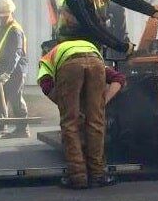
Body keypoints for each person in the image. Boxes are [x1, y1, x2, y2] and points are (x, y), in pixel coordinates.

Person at [37, 39, 126, 189]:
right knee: (96, 122)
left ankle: (78, 177)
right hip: (95, 62)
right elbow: (119, 79)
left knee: (70, 124)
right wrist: (102, 104)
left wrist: (68, 107)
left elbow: (46, 86)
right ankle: (98, 175)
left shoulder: (46, 59)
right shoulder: (84, 49)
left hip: (69, 66)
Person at [0, 0, 29, 139]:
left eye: (5, 16)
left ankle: (22, 129)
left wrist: (7, 73)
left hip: (16, 70)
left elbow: (16, 54)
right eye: (1, 16)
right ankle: (1, 128)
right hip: (4, 68)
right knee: (0, 99)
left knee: (15, 97)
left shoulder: (15, 30)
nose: (3, 18)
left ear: (11, 13)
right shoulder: (2, 27)